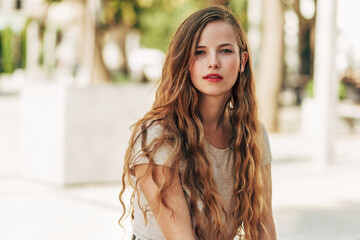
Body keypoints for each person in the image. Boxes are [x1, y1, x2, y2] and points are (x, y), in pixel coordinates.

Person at [119, 5, 276, 240]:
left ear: (243, 61)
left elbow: (263, 227)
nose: (213, 62)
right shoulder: (158, 135)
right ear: (185, 62)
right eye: (200, 52)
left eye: (225, 50)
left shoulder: (252, 133)